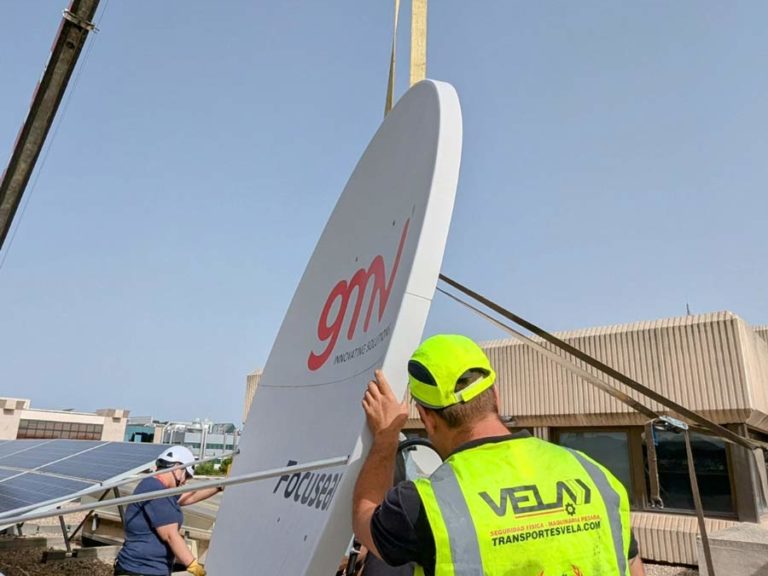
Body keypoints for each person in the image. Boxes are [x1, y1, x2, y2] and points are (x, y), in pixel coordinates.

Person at [353, 334, 646, 576]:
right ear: (495, 395)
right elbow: (633, 568)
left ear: (427, 419)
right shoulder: (597, 476)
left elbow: (364, 516)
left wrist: (385, 435)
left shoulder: (423, 505)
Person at [114, 446, 223, 576]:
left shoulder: (161, 489)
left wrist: (219, 486)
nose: (184, 482)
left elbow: (189, 496)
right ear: (178, 468)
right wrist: (193, 566)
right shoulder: (154, 489)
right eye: (186, 476)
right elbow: (170, 535)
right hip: (139, 570)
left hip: (144, 569)